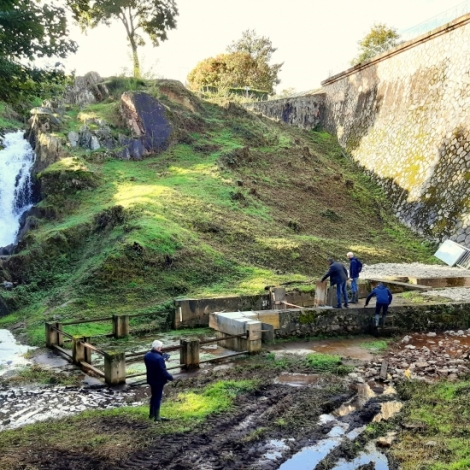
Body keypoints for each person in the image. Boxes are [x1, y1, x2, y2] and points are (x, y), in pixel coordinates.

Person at [144, 340, 174, 421]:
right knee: (157, 398)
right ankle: (157, 417)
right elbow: (162, 371)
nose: (161, 349)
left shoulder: (147, 355)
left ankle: (151, 414)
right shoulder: (159, 358)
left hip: (151, 379)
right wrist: (171, 377)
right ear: (158, 348)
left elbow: (154, 365)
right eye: (160, 347)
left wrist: (162, 359)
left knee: (153, 396)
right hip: (159, 381)